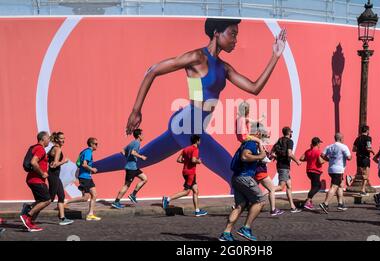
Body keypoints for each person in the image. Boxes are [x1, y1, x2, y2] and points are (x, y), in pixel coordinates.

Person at [92, 18, 287, 189]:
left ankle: (83, 170)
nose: (236, 40)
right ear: (216, 33)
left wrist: (275, 56)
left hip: (189, 125)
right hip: (188, 125)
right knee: (234, 174)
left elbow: (254, 88)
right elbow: (152, 70)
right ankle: (233, 226)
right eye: (233, 34)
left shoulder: (224, 68)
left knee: (139, 160)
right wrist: (136, 111)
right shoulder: (196, 57)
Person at [219, 123, 267, 241]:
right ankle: (246, 228)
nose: (263, 137)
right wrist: (260, 156)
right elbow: (245, 157)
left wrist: (260, 150)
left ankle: (226, 233)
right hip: (245, 177)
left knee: (240, 206)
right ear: (258, 133)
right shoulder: (250, 143)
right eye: (263, 135)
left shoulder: (248, 142)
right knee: (260, 201)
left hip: (237, 178)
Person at [162, 135, 208, 217]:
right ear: (197, 141)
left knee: (195, 190)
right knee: (186, 192)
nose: (200, 142)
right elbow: (193, 160)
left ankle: (197, 211)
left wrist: (187, 162)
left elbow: (179, 160)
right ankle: (167, 199)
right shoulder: (195, 149)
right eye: (199, 140)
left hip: (185, 171)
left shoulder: (186, 149)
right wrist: (198, 161)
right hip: (190, 173)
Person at [20, 131, 52, 232]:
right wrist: (42, 173)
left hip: (33, 179)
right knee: (47, 200)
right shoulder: (40, 148)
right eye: (48, 138)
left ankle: (30, 222)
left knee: (40, 201)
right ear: (43, 139)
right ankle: (27, 216)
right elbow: (33, 162)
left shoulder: (36, 148)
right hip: (36, 180)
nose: (49, 140)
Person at [64, 138, 101, 221]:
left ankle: (90, 214)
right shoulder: (88, 152)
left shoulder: (84, 151)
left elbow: (79, 164)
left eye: (97, 144)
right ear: (91, 144)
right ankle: (66, 202)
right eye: (95, 144)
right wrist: (92, 169)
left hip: (87, 177)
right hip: (84, 177)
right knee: (85, 197)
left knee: (94, 194)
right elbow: (84, 164)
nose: (97, 145)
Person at [112, 129, 149, 209]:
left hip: (134, 167)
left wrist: (126, 156)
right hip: (131, 168)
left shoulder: (132, 142)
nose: (143, 136)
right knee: (126, 185)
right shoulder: (137, 143)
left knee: (144, 179)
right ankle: (116, 202)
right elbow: (133, 152)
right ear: (139, 135)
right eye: (142, 134)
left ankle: (133, 195)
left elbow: (122, 151)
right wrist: (141, 157)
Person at [253, 124, 283, 216]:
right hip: (260, 170)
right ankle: (273, 210)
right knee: (272, 189)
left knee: (251, 191)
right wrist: (271, 156)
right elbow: (263, 159)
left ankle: (238, 205)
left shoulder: (257, 144)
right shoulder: (259, 144)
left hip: (257, 170)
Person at [319, 133, 351, 213]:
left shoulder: (329, 146)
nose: (343, 139)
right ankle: (325, 204)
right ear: (341, 139)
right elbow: (349, 157)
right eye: (343, 138)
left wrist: (329, 159)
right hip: (338, 170)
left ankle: (340, 204)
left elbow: (322, 155)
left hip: (331, 169)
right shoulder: (343, 147)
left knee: (340, 185)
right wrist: (347, 157)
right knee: (334, 187)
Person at [273, 127, 301, 213]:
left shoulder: (280, 140)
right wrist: (297, 161)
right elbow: (289, 154)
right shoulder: (289, 141)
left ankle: (293, 207)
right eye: (291, 132)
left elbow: (273, 153)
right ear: (289, 133)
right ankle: (261, 194)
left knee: (289, 186)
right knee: (281, 187)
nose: (292, 133)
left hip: (280, 165)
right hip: (284, 166)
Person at [47, 132, 74, 225]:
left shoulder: (53, 148)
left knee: (61, 196)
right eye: (61, 138)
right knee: (49, 199)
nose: (63, 140)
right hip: (53, 175)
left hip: (55, 176)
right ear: (57, 139)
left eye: (64, 138)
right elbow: (54, 165)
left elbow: (50, 161)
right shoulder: (57, 149)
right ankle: (29, 209)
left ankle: (62, 218)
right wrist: (64, 161)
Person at [299, 137, 325, 210]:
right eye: (319, 143)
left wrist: (309, 159)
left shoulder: (308, 151)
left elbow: (301, 158)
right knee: (318, 186)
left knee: (313, 186)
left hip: (309, 171)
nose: (320, 144)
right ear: (317, 143)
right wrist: (326, 160)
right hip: (315, 171)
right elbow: (320, 161)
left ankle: (309, 202)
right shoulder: (318, 151)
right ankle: (307, 201)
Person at [352, 125, 374, 196]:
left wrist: (360, 149)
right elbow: (368, 148)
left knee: (362, 174)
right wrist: (373, 152)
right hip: (365, 158)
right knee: (366, 175)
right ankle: (363, 190)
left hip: (358, 158)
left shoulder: (357, 138)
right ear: (367, 131)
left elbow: (354, 149)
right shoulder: (368, 138)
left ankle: (362, 189)